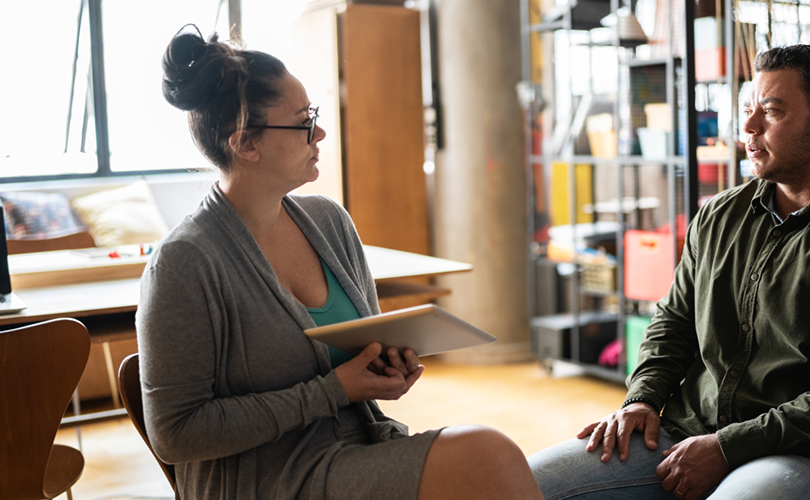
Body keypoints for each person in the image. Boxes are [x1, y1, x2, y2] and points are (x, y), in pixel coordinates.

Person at [137, 26, 543, 500]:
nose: (321, 132)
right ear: (245, 144)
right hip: (266, 480)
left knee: (485, 460)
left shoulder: (329, 221)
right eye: (304, 120)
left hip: (358, 451)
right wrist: (333, 391)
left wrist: (384, 367)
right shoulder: (183, 264)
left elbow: (360, 355)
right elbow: (176, 433)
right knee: (484, 455)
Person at [528, 44, 810, 500]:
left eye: (771, 111)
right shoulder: (719, 215)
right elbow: (673, 322)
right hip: (688, 432)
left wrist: (727, 448)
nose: (748, 127)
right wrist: (642, 398)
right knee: (521, 483)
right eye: (748, 109)